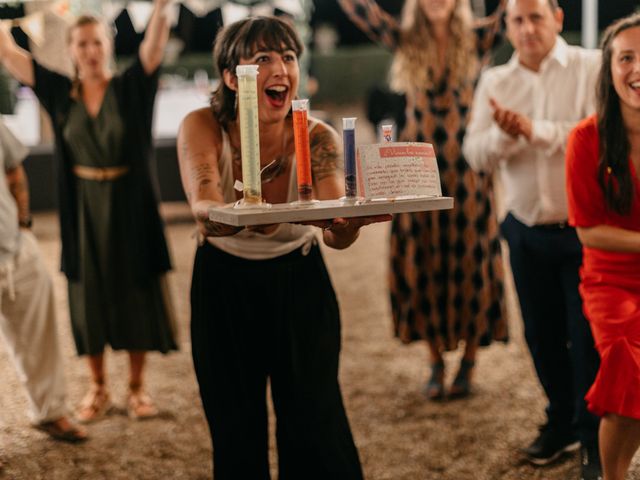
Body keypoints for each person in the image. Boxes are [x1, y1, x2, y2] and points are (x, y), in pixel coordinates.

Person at [177, 16, 389, 480]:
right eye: (262, 59)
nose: (280, 68)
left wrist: (350, 226)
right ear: (232, 78)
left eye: (288, 57)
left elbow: (334, 228)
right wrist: (235, 212)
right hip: (223, 287)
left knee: (316, 422)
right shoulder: (203, 126)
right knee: (235, 428)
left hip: (299, 283)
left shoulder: (317, 137)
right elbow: (205, 208)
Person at [0, 0, 177, 423]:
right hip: (83, 209)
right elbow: (9, 55)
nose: (89, 51)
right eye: (81, 44)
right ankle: (98, 388)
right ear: (72, 49)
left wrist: (163, 6)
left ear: (108, 45)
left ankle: (137, 389)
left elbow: (153, 47)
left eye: (96, 42)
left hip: (129, 204)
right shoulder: (60, 91)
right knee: (87, 293)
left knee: (136, 288)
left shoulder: (131, 87)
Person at [337, 0, 508, 400]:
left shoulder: (479, 37)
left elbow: (512, 10)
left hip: (468, 169)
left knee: (473, 257)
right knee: (422, 256)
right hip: (416, 169)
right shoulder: (403, 37)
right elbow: (358, 9)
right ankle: (434, 362)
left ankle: (468, 362)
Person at [463, 0, 602, 477]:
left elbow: (600, 133)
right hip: (523, 230)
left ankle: (593, 439)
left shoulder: (591, 66)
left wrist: (533, 130)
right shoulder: (496, 82)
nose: (527, 29)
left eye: (536, 17)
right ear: (507, 27)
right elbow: (474, 153)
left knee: (586, 340)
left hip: (584, 231)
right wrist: (505, 135)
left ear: (558, 18)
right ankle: (560, 420)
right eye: (517, 21)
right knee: (541, 337)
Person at [566, 13, 640, 480]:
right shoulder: (585, 139)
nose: (637, 68)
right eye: (627, 58)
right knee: (629, 368)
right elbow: (588, 230)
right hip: (611, 281)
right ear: (609, 69)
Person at [0, 119, 86, 443]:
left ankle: (51, 412)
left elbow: (13, 172)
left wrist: (23, 225)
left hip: (16, 250)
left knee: (40, 337)